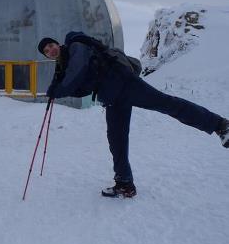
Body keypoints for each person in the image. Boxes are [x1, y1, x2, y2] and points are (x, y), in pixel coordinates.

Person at [37, 32, 229, 198]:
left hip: (124, 83)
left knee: (168, 104)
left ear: (57, 44)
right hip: (111, 96)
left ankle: (220, 125)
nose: (50, 50)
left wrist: (58, 89)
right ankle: (124, 184)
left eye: (51, 45)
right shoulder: (65, 65)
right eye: (46, 50)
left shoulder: (76, 46)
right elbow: (82, 86)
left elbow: (76, 73)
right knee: (116, 139)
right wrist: (60, 87)